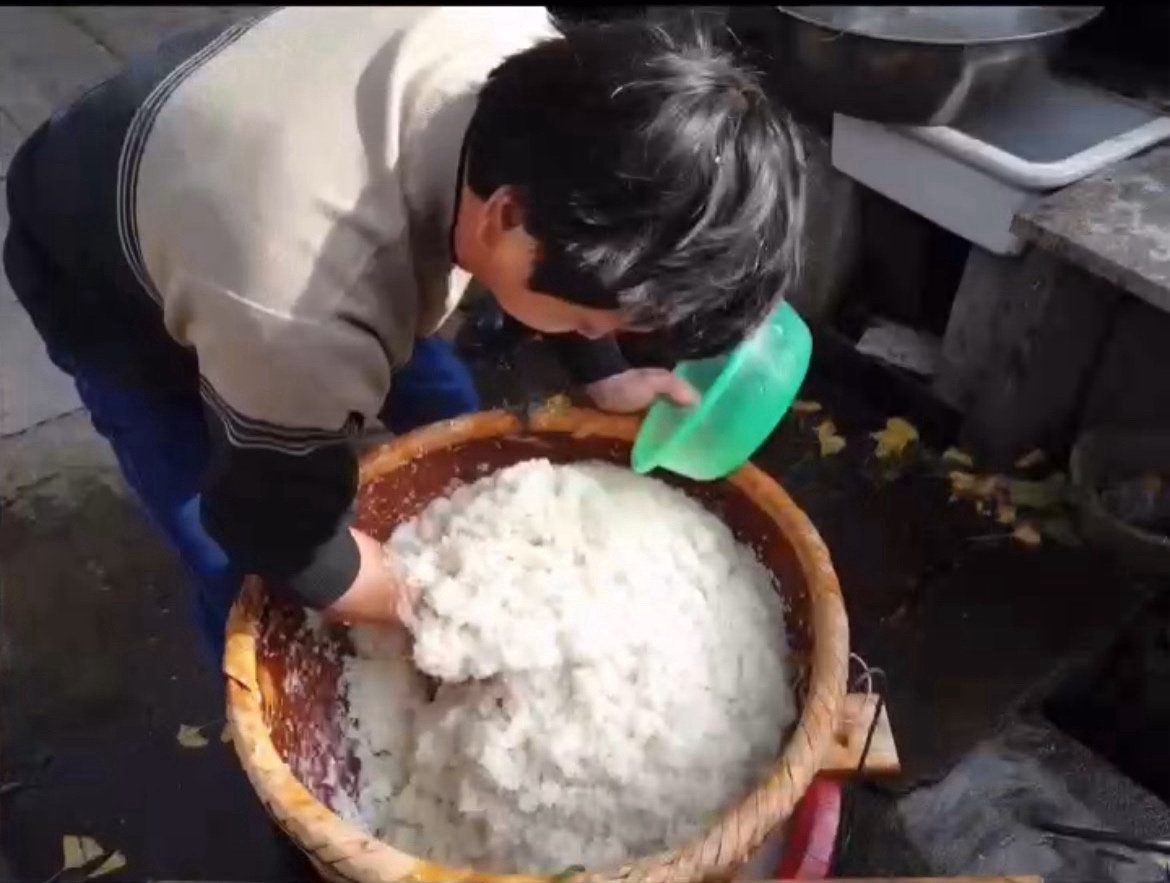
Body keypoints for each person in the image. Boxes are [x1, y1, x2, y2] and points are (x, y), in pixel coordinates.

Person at [3, 7, 806, 663]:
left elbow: (583, 232)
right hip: (101, 255)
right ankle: (247, 712)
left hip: (248, 138)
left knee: (442, 399)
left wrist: (604, 368)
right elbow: (272, 528)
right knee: (241, 562)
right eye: (593, 324)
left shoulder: (564, 77)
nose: (598, 336)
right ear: (506, 217)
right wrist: (435, 605)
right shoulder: (301, 312)